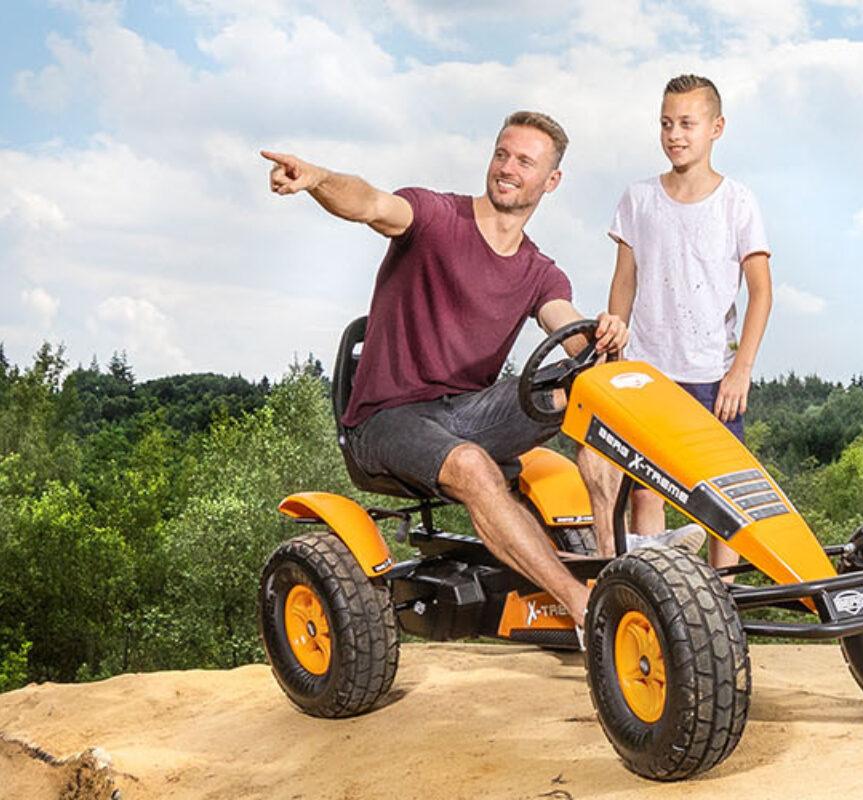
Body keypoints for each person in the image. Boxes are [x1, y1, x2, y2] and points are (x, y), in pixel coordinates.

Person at [262, 111, 622, 628]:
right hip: (387, 419)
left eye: (525, 161)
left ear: (551, 180)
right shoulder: (435, 217)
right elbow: (370, 203)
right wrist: (317, 179)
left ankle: (614, 562)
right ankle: (585, 608)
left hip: (469, 415)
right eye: (502, 154)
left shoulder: (539, 271)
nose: (508, 168)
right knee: (471, 465)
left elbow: (566, 326)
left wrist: (601, 336)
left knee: (591, 386)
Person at [607, 74, 773, 572]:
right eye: (666, 124)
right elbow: (624, 282)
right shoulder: (638, 198)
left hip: (713, 376)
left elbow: (762, 291)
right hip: (647, 374)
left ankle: (722, 605)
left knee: (723, 501)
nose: (674, 135)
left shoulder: (737, 201)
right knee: (645, 491)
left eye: (686, 123)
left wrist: (741, 370)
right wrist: (615, 358)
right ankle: (655, 592)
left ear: (716, 128)